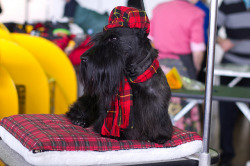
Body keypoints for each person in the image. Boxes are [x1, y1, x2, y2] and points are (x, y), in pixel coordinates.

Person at [150, 0, 206, 133]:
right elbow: (197, 50)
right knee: (185, 107)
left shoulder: (159, 9)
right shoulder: (196, 13)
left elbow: (149, 39)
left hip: (157, 66)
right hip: (181, 66)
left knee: (156, 104)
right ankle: (185, 143)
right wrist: (195, 71)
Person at [217, 0, 250, 165]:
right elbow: (212, 29)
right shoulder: (228, 3)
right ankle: (227, 154)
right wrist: (221, 41)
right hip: (231, 66)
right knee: (226, 111)